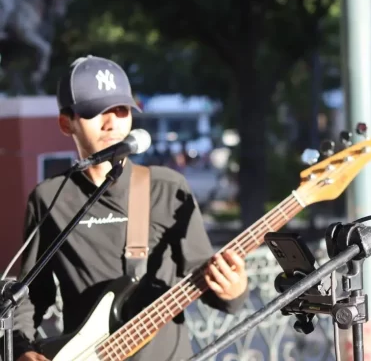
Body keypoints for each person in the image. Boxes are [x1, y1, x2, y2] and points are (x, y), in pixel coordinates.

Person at [9, 55, 250, 361]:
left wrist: (234, 290)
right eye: (95, 111)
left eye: (121, 110)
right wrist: (23, 349)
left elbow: (210, 282)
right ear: (65, 122)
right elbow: (30, 294)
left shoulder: (167, 188)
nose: (111, 123)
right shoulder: (49, 198)